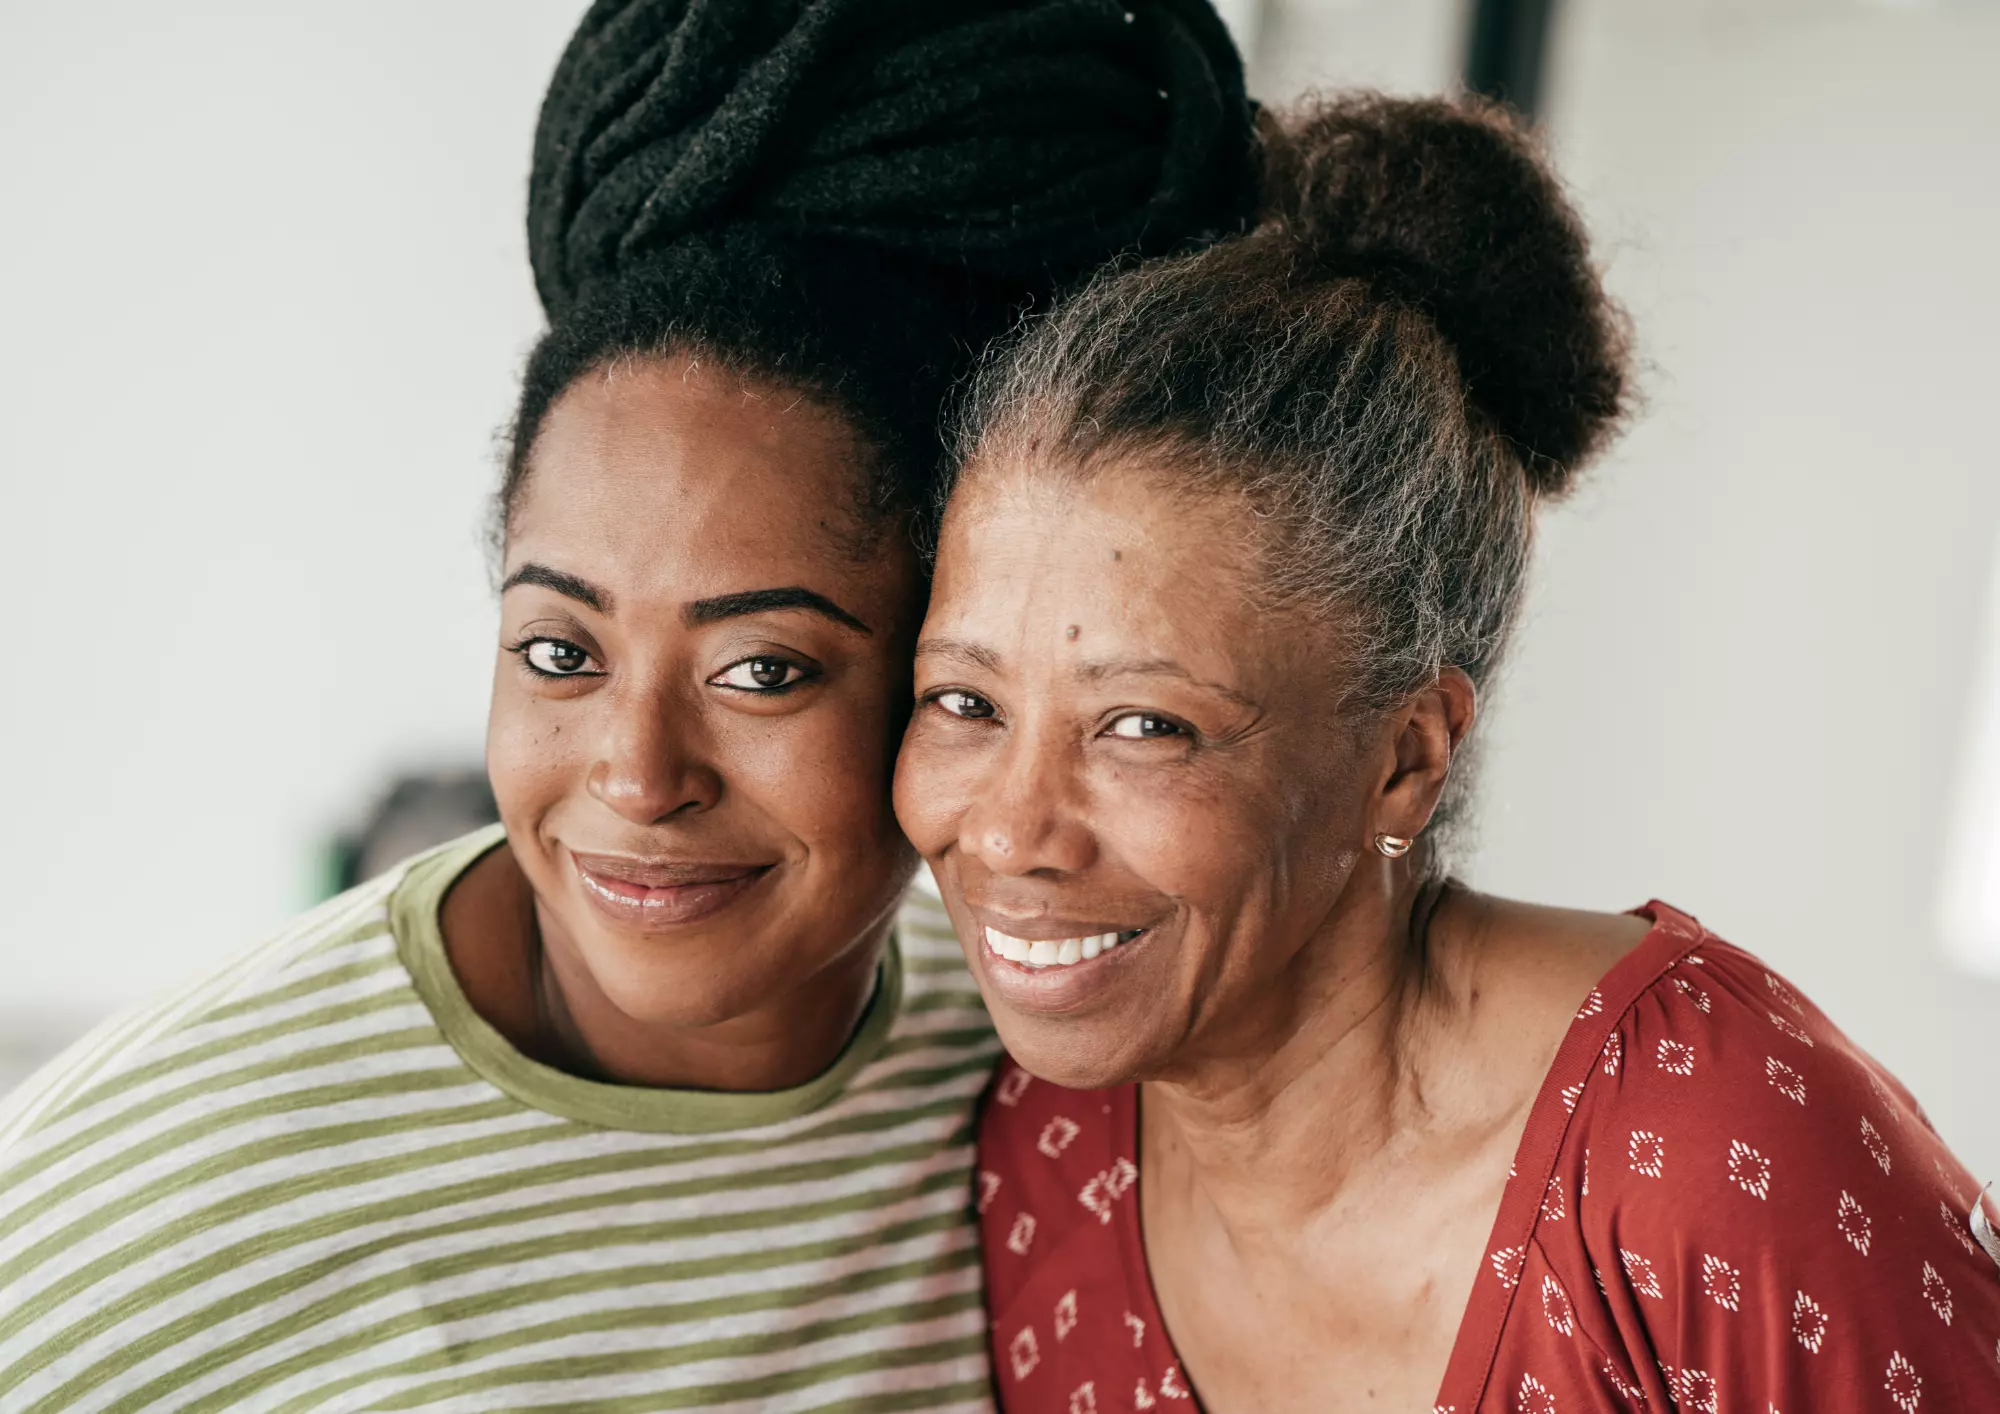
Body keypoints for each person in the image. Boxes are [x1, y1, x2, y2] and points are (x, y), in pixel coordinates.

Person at [0, 2, 1255, 1408]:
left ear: (946, 680)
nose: (638, 774)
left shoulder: (1049, 1057)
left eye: (762, 670)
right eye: (558, 650)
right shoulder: (150, 1176)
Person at [896, 94, 2000, 1413]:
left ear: (1404, 759)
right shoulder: (1034, 1147)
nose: (1013, 831)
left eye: (1144, 724)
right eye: (964, 700)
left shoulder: (1700, 1161)